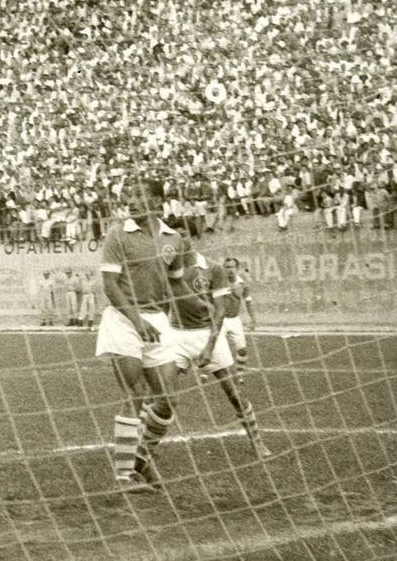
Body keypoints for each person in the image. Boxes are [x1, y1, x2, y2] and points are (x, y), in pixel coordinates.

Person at [125, 226, 273, 487]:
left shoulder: (213, 268)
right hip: (177, 336)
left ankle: (257, 440)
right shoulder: (165, 268)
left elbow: (219, 311)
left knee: (233, 393)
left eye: (184, 235)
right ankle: (143, 451)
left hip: (207, 335)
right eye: (174, 236)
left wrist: (209, 346)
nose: (179, 240)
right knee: (160, 396)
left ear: (191, 239)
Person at [95, 179, 182, 488]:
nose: (131, 201)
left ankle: (141, 458)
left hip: (157, 321)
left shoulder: (174, 238)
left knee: (167, 400)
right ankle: (123, 474)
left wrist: (187, 316)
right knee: (135, 394)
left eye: (139, 196)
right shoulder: (118, 235)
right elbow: (110, 286)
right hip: (122, 319)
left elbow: (175, 284)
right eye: (128, 196)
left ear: (158, 201)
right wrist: (137, 321)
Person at [220, 257, 257, 387]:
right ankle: (204, 374)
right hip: (220, 320)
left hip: (234, 320)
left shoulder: (242, 284)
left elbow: (248, 302)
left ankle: (240, 376)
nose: (230, 270)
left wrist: (253, 319)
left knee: (242, 350)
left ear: (237, 268)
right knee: (215, 349)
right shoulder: (219, 282)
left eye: (232, 267)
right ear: (223, 268)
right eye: (227, 267)